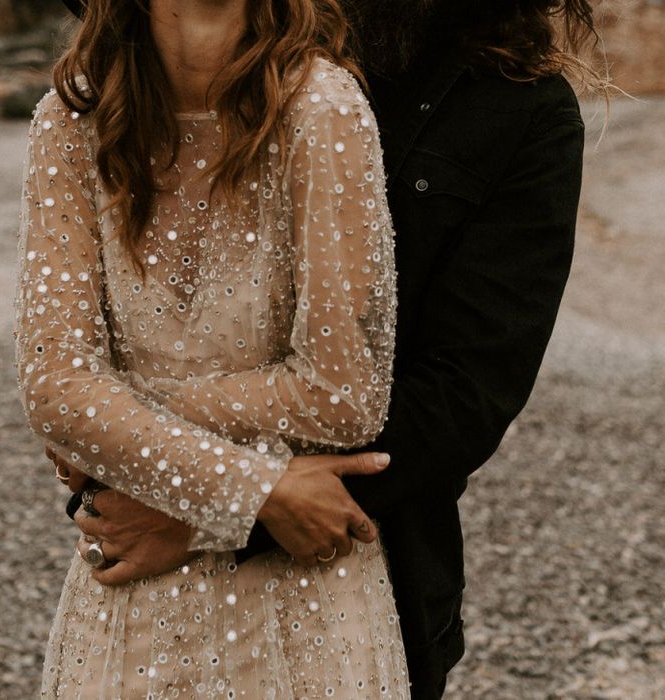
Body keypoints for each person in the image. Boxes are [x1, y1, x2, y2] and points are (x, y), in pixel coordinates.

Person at [51, 1, 603, 697]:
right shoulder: (254, 43)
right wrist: (100, 419)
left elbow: (466, 390)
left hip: (356, 556)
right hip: (142, 557)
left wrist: (212, 504)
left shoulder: (523, 113)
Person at [17, 0, 410, 696]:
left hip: (300, 599)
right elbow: (53, 385)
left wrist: (111, 420)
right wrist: (255, 487)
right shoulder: (69, 119)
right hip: (129, 598)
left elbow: (344, 396)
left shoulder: (324, 109)